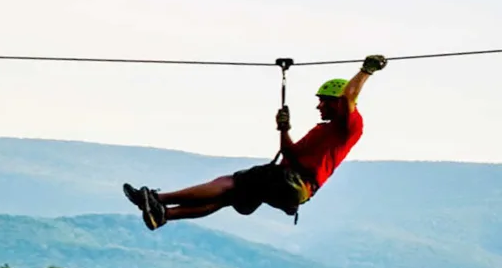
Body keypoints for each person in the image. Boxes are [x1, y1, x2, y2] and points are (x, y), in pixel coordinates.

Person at [123, 54, 388, 230]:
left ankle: (155, 198)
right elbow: (289, 153)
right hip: (295, 187)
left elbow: (349, 97)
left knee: (229, 182)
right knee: (228, 196)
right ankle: (164, 215)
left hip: (292, 182)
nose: (319, 105)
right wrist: (284, 128)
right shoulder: (322, 132)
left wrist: (366, 70)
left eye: (323, 100)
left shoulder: (349, 126)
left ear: (335, 102)